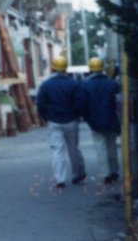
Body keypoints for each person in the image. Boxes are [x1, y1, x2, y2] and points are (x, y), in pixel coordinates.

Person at [36, 55, 87, 188]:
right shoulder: (73, 84)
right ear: (65, 69)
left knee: (57, 150)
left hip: (54, 121)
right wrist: (77, 114)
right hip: (71, 120)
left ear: (53, 69)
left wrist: (45, 116)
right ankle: (78, 174)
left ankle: (60, 179)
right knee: (73, 149)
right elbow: (81, 101)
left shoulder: (46, 85)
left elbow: (40, 103)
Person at [82, 57, 121, 183]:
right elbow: (118, 103)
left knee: (100, 147)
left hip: (95, 121)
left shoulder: (85, 85)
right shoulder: (112, 84)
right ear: (102, 68)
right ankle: (115, 171)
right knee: (112, 146)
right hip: (111, 119)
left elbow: (83, 104)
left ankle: (106, 173)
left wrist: (86, 118)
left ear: (90, 69)